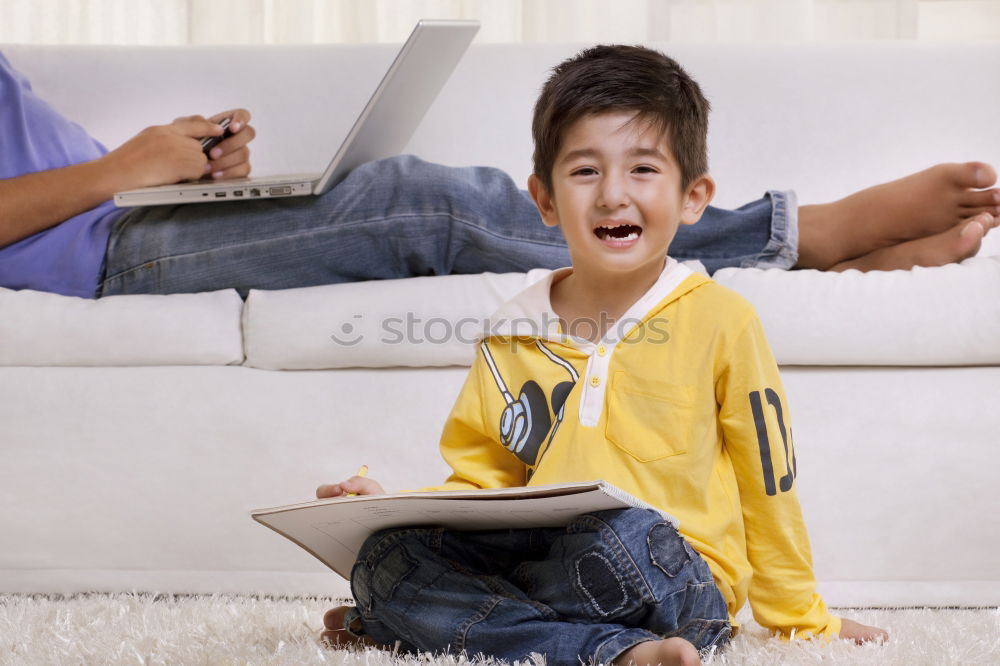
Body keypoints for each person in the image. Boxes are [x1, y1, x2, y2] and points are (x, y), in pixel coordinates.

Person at [313, 45, 888, 665]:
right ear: (546, 199)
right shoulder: (513, 330)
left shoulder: (723, 320)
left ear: (693, 197)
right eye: (585, 171)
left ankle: (429, 620)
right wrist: (388, 507)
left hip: (670, 575)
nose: (613, 194)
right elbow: (481, 487)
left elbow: (769, 479)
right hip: (544, 562)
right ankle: (613, 653)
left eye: (643, 169)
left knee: (616, 535)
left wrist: (800, 619)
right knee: (386, 560)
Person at [0, 50, 996, 299]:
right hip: (100, 256)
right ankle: (801, 240)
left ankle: (802, 268)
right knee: (413, 202)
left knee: (401, 191)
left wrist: (174, 165)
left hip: (126, 217)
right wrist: (123, 172)